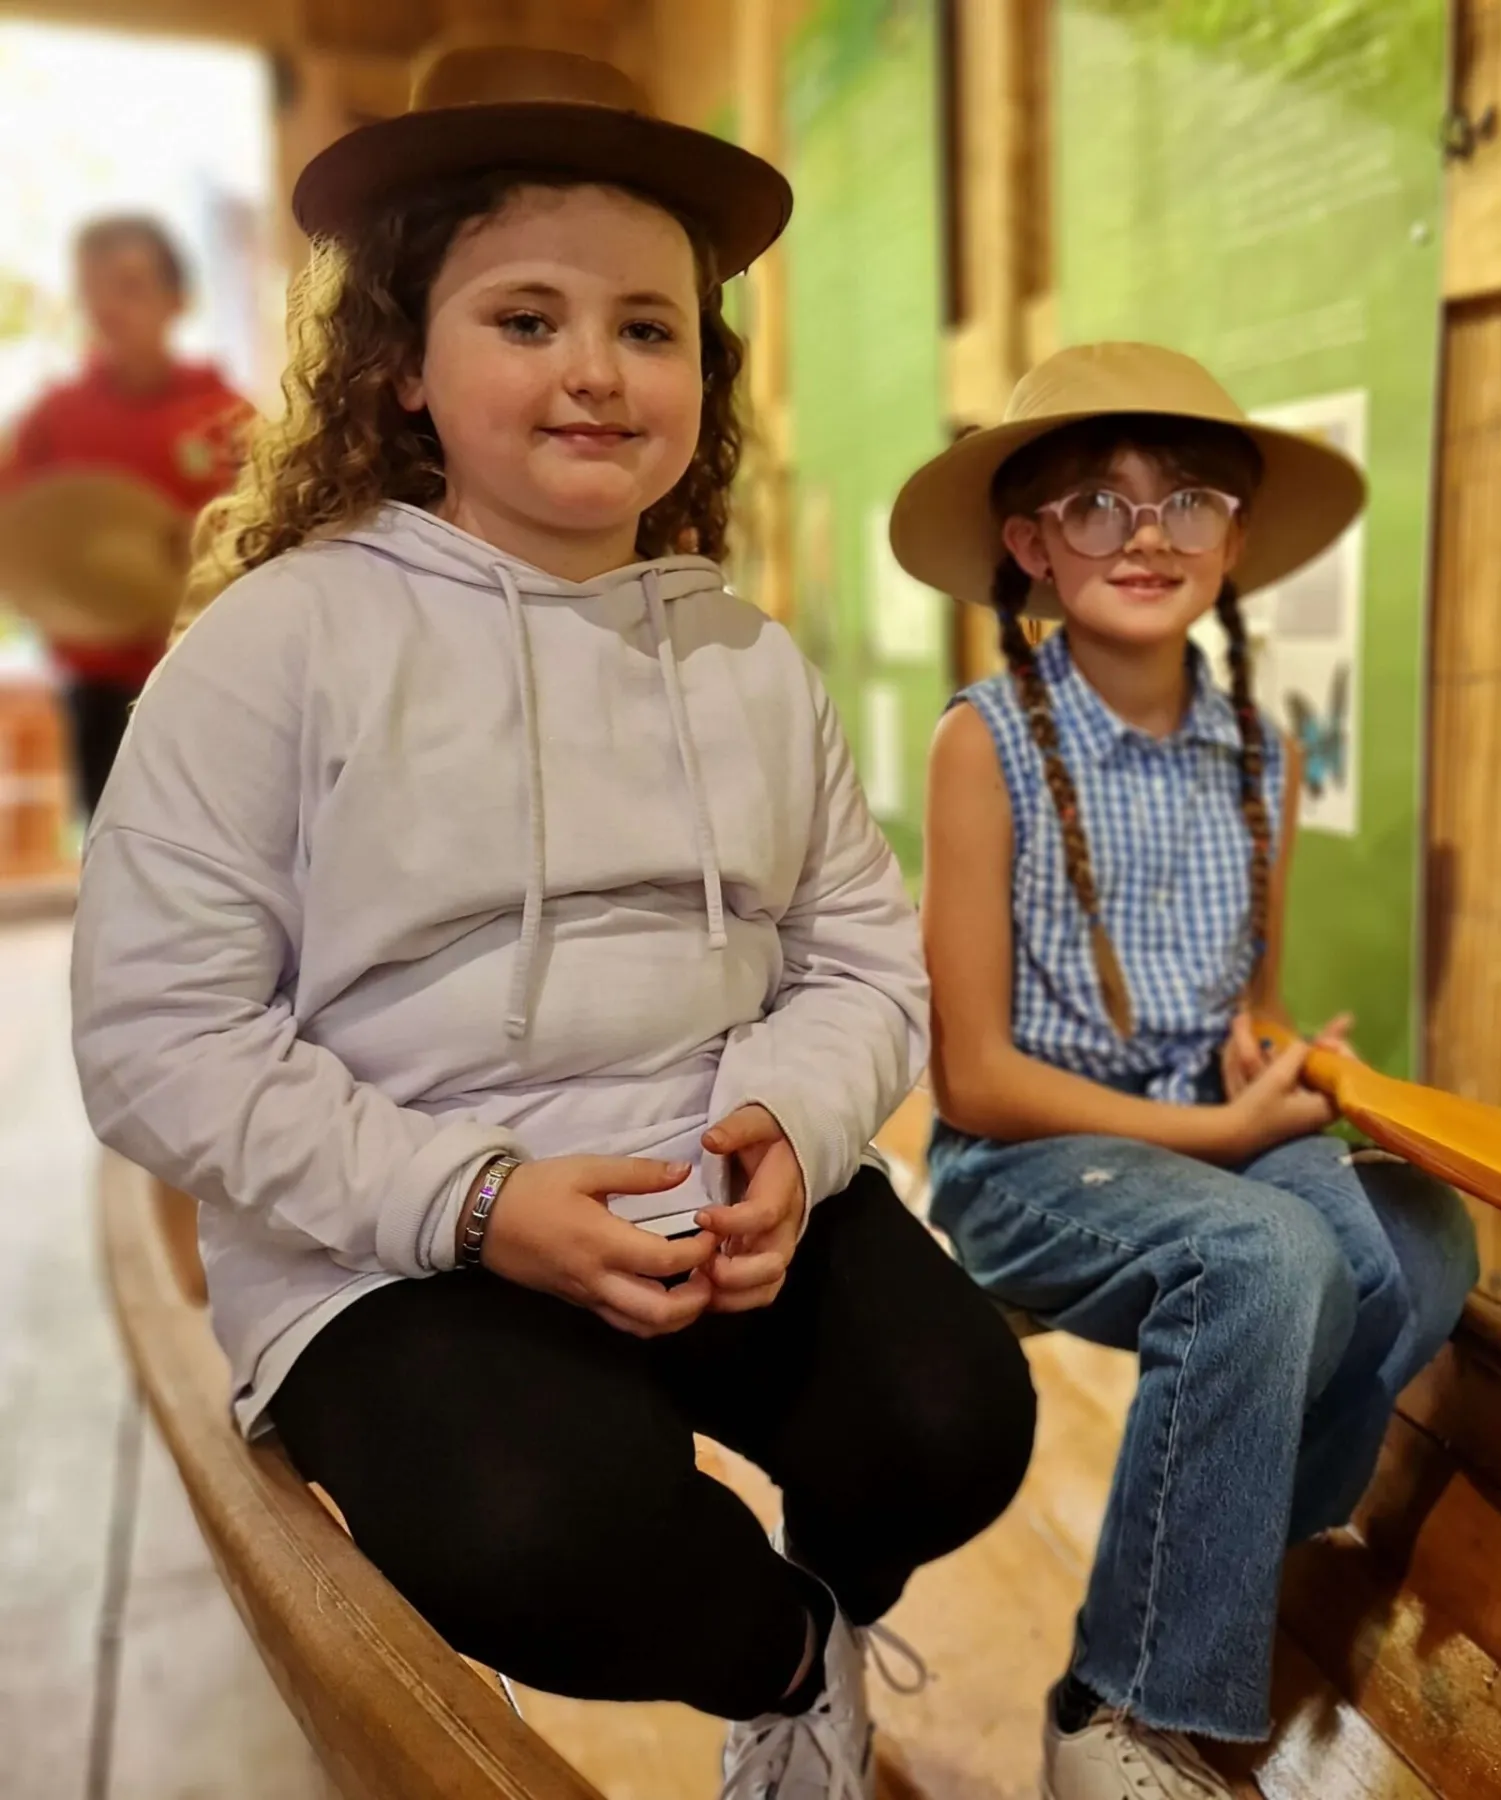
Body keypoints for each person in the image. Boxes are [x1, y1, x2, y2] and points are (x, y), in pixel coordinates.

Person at [69, 47, 1034, 1800]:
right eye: (526, 318)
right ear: (402, 367)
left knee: (957, 1419)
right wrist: (480, 1201)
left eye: (649, 328)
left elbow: (859, 960)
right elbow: (155, 1040)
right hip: (396, 1228)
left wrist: (790, 1134)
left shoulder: (745, 657)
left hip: (709, 1194)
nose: (596, 369)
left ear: (700, 372)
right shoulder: (272, 651)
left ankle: (820, 1594)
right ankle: (786, 1658)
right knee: (531, 1527)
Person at [897, 343, 1480, 1800]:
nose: (1145, 534)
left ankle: (1222, 1569)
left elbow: (1252, 1006)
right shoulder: (987, 748)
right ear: (1029, 547)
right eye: (1095, 504)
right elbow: (969, 1079)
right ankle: (1120, 1705)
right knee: (1275, 1258)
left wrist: (1280, 1061)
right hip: (1028, 1162)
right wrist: (1224, 1132)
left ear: (1235, 538)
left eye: (1186, 501)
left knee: (1420, 1242)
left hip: (1206, 1133)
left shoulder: (1257, 752)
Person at [0, 214, 249, 815]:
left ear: (177, 299)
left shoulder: (227, 419)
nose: (109, 306)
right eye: (93, 289)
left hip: (212, 673)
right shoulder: (54, 419)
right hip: (99, 681)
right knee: (113, 845)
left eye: (130, 286)